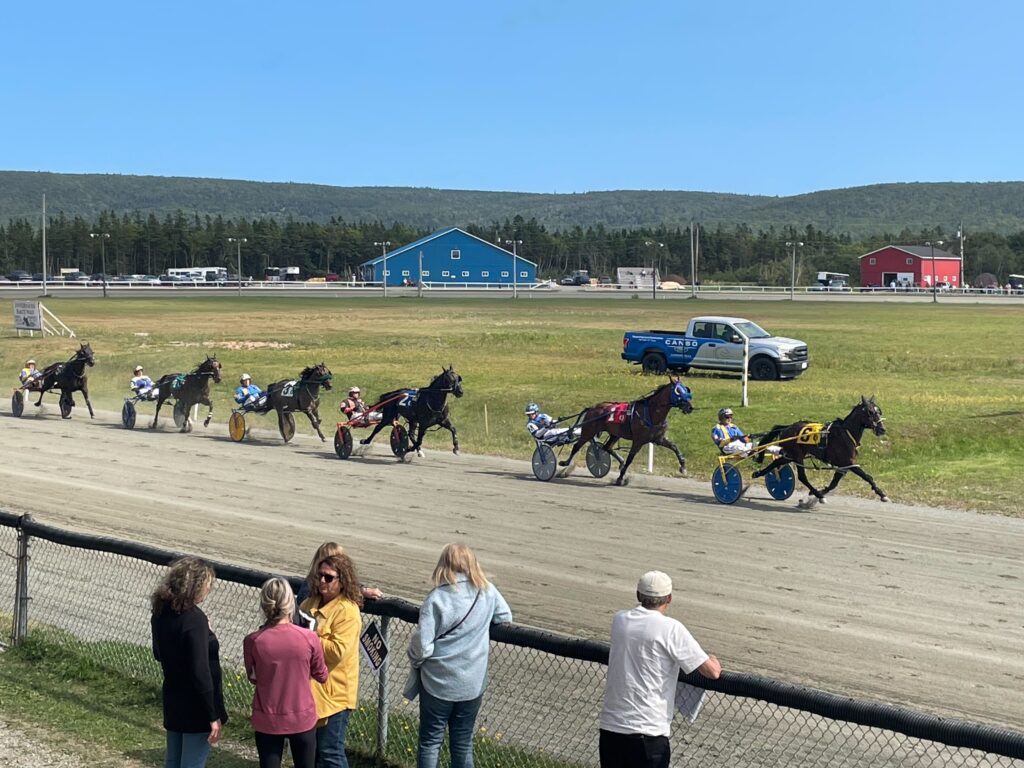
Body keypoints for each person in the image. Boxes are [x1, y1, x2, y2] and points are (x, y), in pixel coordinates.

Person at [598, 570, 722, 768]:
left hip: (612, 729)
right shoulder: (671, 628)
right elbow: (711, 671)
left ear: (638, 595)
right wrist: (712, 659)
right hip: (649, 733)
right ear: (669, 598)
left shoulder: (620, 620)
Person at [408, 543, 513, 768]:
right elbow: (505, 617)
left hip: (438, 682)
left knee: (430, 741)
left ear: (444, 565)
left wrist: (415, 658)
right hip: (471, 683)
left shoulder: (437, 598)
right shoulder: (487, 591)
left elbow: (423, 646)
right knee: (463, 743)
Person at [151, 556, 228, 768]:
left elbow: (158, 653)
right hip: (196, 706)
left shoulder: (160, 611)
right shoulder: (195, 621)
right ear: (195, 586)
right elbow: (200, 671)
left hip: (174, 698)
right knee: (192, 763)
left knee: (174, 761)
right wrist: (212, 715)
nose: (207, 591)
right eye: (207, 586)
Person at [244, 577, 328, 768]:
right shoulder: (308, 637)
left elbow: (253, 677)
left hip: (268, 717)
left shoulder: (253, 641)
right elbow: (322, 675)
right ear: (291, 604)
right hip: (301, 717)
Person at [300, 553, 363, 768]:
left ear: (342, 581)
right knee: (315, 752)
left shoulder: (348, 611)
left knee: (330, 752)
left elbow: (337, 651)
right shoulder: (309, 604)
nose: (322, 582)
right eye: (319, 576)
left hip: (336, 694)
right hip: (312, 691)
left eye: (329, 578)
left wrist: (310, 636)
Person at [296, 542, 384, 607]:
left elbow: (349, 586)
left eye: (328, 577)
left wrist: (363, 590)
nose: (323, 580)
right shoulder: (309, 586)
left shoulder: (347, 610)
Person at [712, 408, 780, 457]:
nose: (729, 418)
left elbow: (744, 439)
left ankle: (781, 451)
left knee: (761, 444)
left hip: (740, 445)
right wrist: (731, 439)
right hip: (727, 447)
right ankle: (751, 453)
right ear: (721, 417)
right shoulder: (717, 428)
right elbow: (719, 443)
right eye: (727, 416)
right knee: (738, 447)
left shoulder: (734, 427)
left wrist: (748, 437)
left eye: (731, 416)